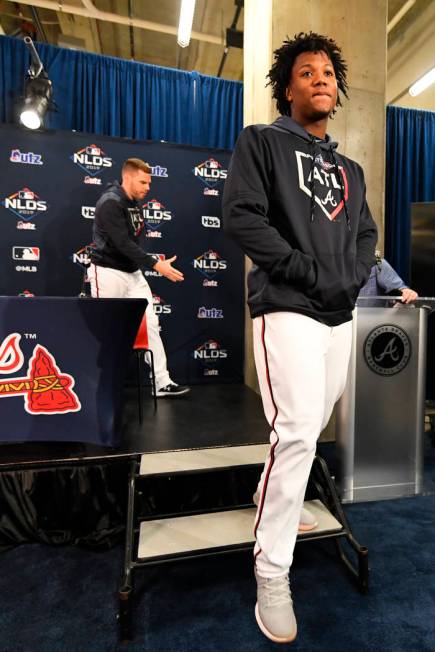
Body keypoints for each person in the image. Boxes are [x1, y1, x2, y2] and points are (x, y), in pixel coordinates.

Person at [223, 33, 377, 644]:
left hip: (338, 314)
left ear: (337, 90)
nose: (319, 79)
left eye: (328, 74)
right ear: (287, 88)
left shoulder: (351, 169)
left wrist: (353, 275)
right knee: (294, 431)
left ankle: (270, 503)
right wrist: (310, 273)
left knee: (312, 427)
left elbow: (365, 234)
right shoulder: (262, 142)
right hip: (287, 304)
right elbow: (242, 217)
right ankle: (271, 568)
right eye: (305, 72)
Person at [88, 157, 190, 398]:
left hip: (132, 273)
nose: (148, 187)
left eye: (149, 183)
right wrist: (157, 265)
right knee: (107, 329)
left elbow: (132, 242)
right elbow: (122, 243)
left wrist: (147, 264)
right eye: (143, 182)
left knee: (151, 325)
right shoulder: (110, 202)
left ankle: (161, 382)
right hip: (107, 272)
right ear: (128, 178)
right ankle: (99, 385)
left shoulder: (134, 201)